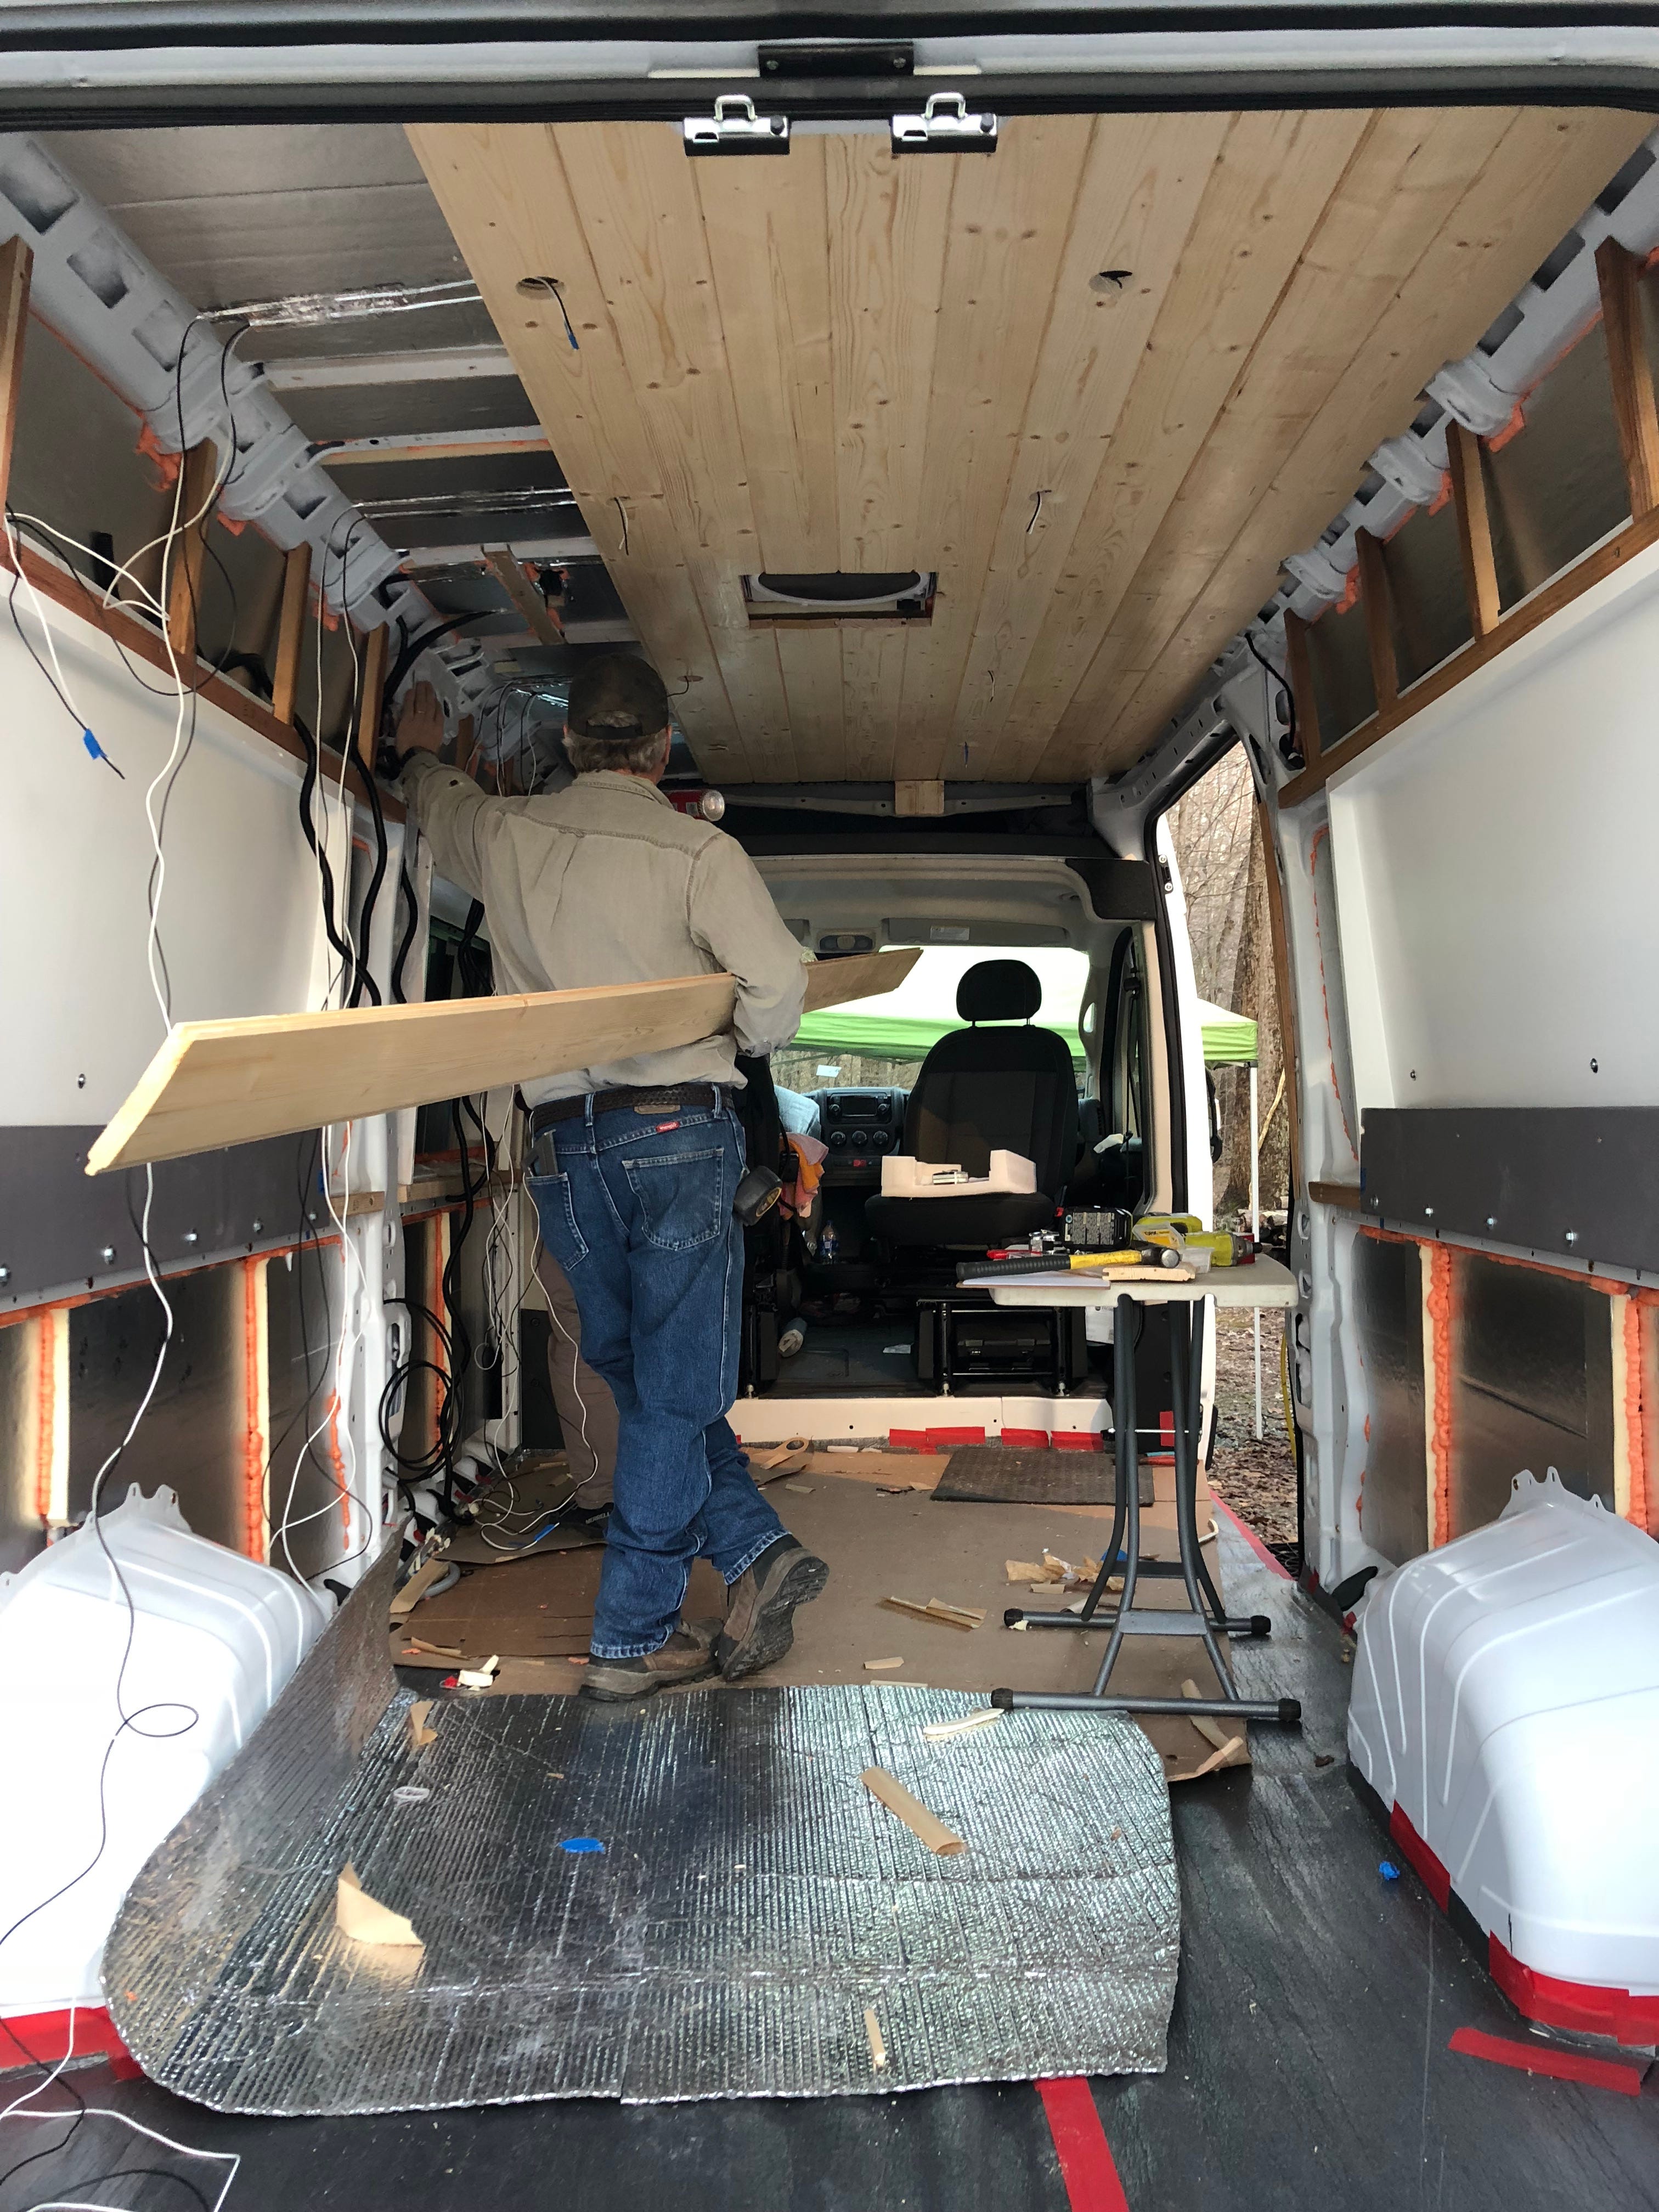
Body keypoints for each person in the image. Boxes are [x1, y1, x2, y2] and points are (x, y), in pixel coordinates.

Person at [394, 656, 826, 1701]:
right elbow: (778, 991)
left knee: (638, 1381)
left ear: (571, 747)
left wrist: (414, 754)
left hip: (561, 1146)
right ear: (662, 750)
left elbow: (438, 803)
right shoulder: (700, 853)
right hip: (678, 1132)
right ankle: (632, 1641)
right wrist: (740, 1030)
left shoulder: (504, 834)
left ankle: (757, 1555)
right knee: (674, 1398)